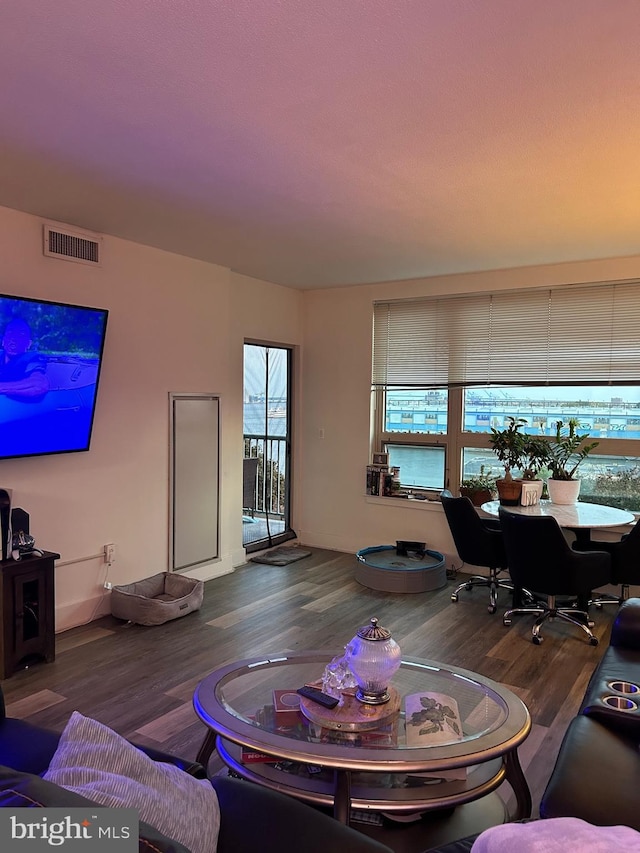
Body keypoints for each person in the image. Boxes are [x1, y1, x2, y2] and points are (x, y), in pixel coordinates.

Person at [0, 317, 50, 399]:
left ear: (28, 344)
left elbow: (39, 384)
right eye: (10, 333)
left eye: (21, 335)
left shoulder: (33, 358)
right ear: (3, 341)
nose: (14, 339)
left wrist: (3, 388)